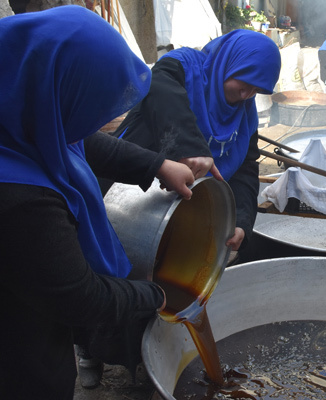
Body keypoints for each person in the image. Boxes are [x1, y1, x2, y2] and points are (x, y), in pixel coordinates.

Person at [0, 6, 197, 399]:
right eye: (90, 108)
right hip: (16, 352)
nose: (95, 123)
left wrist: (157, 164)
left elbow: (76, 137)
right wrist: (159, 294)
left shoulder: (18, 101)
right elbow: (79, 298)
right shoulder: (20, 200)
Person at [113, 30, 282, 255]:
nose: (246, 95)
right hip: (122, 197)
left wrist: (241, 220)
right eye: (244, 82)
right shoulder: (183, 68)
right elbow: (159, 89)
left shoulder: (245, 117)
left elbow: (245, 169)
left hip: (178, 215)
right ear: (230, 64)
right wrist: (190, 148)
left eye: (256, 90)